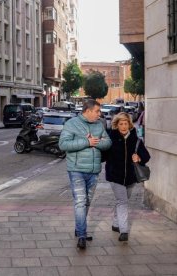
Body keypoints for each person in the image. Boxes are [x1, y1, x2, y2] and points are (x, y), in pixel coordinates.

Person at [59, 99, 112, 249]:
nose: (99, 114)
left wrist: (95, 142)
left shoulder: (99, 124)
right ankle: (82, 235)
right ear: (88, 111)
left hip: (94, 171)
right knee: (80, 202)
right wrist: (86, 142)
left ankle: (79, 228)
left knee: (86, 202)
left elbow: (108, 143)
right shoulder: (72, 124)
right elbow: (63, 145)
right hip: (76, 170)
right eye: (97, 111)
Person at [105, 112, 150, 242]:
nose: (123, 126)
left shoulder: (136, 140)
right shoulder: (111, 139)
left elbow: (147, 157)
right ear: (116, 125)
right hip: (115, 176)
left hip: (131, 177)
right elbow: (103, 156)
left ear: (129, 125)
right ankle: (123, 231)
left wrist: (139, 158)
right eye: (121, 124)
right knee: (123, 202)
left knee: (122, 201)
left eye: (126, 124)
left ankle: (115, 223)